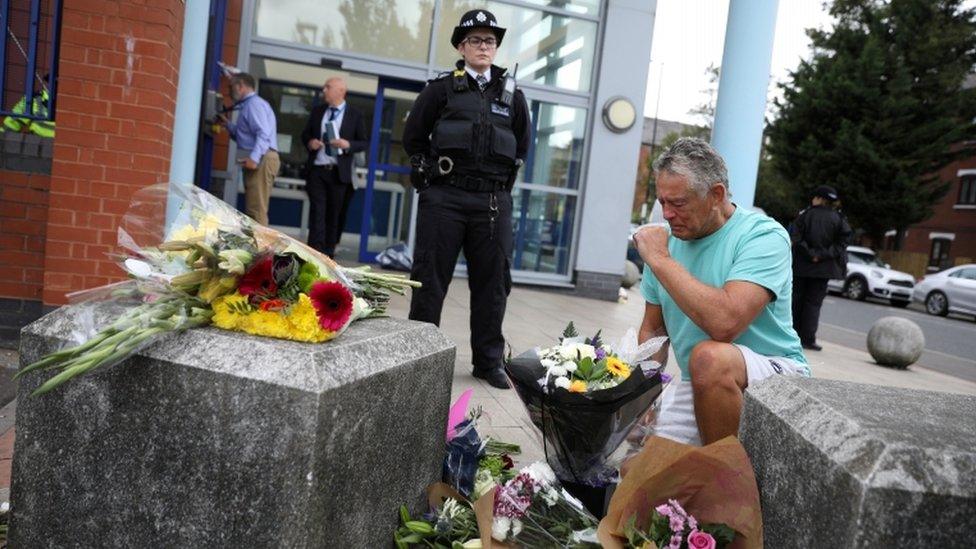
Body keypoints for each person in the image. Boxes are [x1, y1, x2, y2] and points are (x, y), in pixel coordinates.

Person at [632, 138, 810, 446]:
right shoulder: (665, 243)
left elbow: (724, 324)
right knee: (636, 467)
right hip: (701, 378)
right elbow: (654, 328)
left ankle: (727, 480)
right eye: (663, 202)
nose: (667, 215)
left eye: (678, 203)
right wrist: (641, 398)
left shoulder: (763, 235)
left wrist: (660, 259)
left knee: (709, 357)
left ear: (716, 195)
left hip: (775, 373)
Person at [402, 9, 530, 390]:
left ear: (496, 48)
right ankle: (420, 357)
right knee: (430, 277)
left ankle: (488, 362)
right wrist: (426, 176)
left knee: (493, 284)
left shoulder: (513, 96)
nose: (483, 46)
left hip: (492, 203)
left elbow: (523, 145)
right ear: (461, 46)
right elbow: (413, 138)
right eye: (475, 39)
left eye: (489, 40)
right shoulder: (439, 90)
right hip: (445, 197)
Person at [300, 77, 368, 257]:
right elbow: (305, 134)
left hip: (339, 173)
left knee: (333, 215)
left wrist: (347, 144)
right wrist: (310, 142)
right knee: (317, 213)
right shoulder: (318, 111)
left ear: (340, 91)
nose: (324, 90)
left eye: (328, 87)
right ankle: (313, 254)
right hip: (317, 170)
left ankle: (328, 255)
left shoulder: (355, 114)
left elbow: (363, 143)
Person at [789, 185, 852, 351]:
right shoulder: (839, 219)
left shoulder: (805, 215)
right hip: (823, 269)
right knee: (814, 304)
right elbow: (842, 243)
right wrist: (822, 255)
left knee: (796, 301)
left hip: (802, 266)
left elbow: (796, 237)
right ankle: (808, 339)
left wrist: (810, 254)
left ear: (819, 198)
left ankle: (792, 337)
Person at [219, 73, 280, 226]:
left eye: (231, 87)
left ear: (240, 86)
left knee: (256, 210)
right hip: (262, 157)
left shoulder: (254, 104)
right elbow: (247, 136)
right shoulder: (250, 105)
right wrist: (228, 125)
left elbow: (263, 133)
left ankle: (262, 249)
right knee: (254, 209)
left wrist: (254, 158)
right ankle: (260, 247)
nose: (229, 91)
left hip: (262, 158)